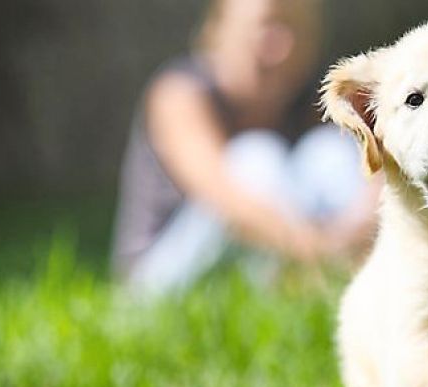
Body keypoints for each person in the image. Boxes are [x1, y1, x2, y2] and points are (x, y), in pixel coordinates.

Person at [111, 0, 377, 295]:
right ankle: (330, 277)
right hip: (159, 280)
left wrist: (355, 231)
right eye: (267, 26)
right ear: (218, 31)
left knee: (329, 151)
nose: (283, 46)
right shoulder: (178, 93)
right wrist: (320, 253)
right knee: (255, 156)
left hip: (285, 258)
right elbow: (226, 196)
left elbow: (377, 179)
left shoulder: (313, 97)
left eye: (296, 30)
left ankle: (367, 274)